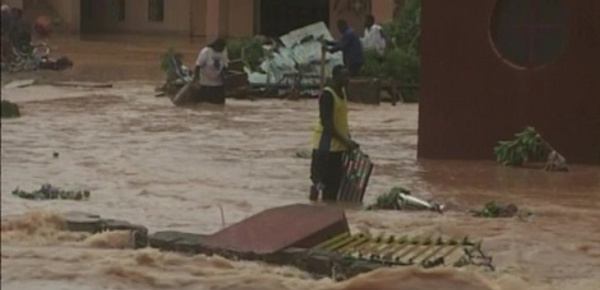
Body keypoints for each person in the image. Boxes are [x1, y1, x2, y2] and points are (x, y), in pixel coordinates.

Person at [309, 65, 360, 202]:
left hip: (337, 149)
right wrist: (345, 141)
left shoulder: (342, 93)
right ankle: (310, 210)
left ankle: (326, 211)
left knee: (332, 188)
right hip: (324, 148)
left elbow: (341, 120)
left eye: (348, 76)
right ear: (336, 77)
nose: (348, 79)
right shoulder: (327, 95)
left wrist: (348, 139)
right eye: (344, 76)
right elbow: (327, 124)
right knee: (318, 184)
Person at [193, 37, 229, 105]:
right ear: (215, 45)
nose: (221, 49)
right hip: (205, 84)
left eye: (223, 48)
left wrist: (226, 82)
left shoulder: (223, 53)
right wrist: (196, 80)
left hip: (218, 85)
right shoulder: (206, 52)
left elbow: (225, 67)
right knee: (204, 105)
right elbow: (197, 66)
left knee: (219, 106)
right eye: (220, 47)